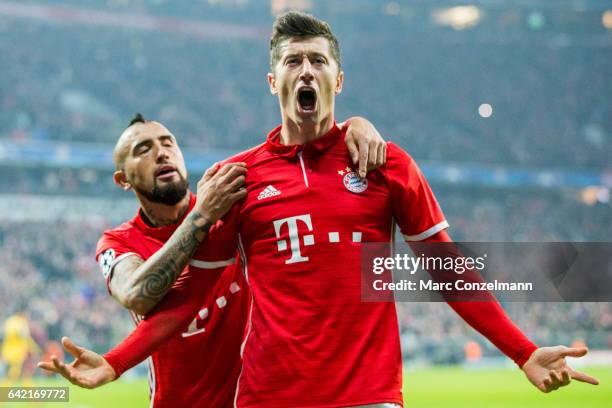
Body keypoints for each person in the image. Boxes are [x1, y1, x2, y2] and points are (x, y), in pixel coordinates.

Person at [40, 11, 598, 407]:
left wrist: (522, 351)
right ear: (272, 80)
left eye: (317, 61)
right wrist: (116, 361)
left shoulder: (386, 164)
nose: (304, 70)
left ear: (338, 78)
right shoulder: (236, 180)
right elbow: (186, 300)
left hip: (367, 397)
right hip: (266, 399)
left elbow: (446, 269)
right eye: (291, 61)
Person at [41, 112, 386, 408]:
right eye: (142, 150)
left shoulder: (231, 208)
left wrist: (353, 126)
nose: (161, 153)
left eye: (167, 143)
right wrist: (201, 216)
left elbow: (299, 153)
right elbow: (137, 293)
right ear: (123, 180)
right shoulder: (119, 242)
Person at [1, 311, 40, 386]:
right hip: (18, 353)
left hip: (7, 352)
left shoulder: (9, 321)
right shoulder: (21, 322)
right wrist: (34, 348)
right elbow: (25, 336)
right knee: (20, 373)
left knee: (17, 373)